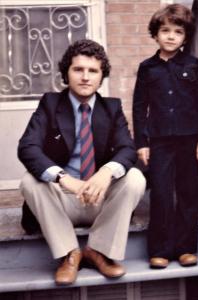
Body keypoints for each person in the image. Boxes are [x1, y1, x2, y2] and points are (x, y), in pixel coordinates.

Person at [18, 39, 146, 285]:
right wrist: (64, 179)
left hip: (100, 200)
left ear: (101, 77)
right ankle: (69, 254)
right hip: (62, 201)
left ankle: (98, 250)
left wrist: (106, 173)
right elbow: (28, 147)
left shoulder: (112, 107)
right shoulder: (50, 103)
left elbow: (127, 149)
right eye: (78, 69)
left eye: (93, 71)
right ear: (67, 72)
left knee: (134, 177)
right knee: (29, 181)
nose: (85, 77)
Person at [133, 4, 198, 269]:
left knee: (188, 193)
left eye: (177, 32)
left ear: (185, 37)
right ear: (155, 35)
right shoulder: (147, 68)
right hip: (159, 141)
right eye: (165, 30)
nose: (170, 36)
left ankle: (186, 248)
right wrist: (141, 143)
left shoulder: (192, 64)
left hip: (190, 140)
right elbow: (138, 106)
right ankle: (160, 250)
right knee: (162, 195)